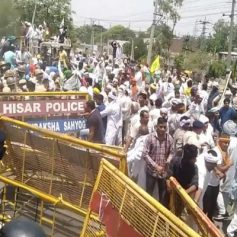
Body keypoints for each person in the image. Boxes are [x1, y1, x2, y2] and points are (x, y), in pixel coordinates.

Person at [142, 117, 174, 206]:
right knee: (149, 194)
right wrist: (156, 166)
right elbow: (144, 154)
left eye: (164, 127)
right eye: (161, 127)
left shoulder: (169, 138)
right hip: (151, 172)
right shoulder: (150, 138)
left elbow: (172, 152)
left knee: (163, 196)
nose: (163, 129)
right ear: (156, 127)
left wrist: (168, 161)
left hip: (163, 172)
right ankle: (147, 213)